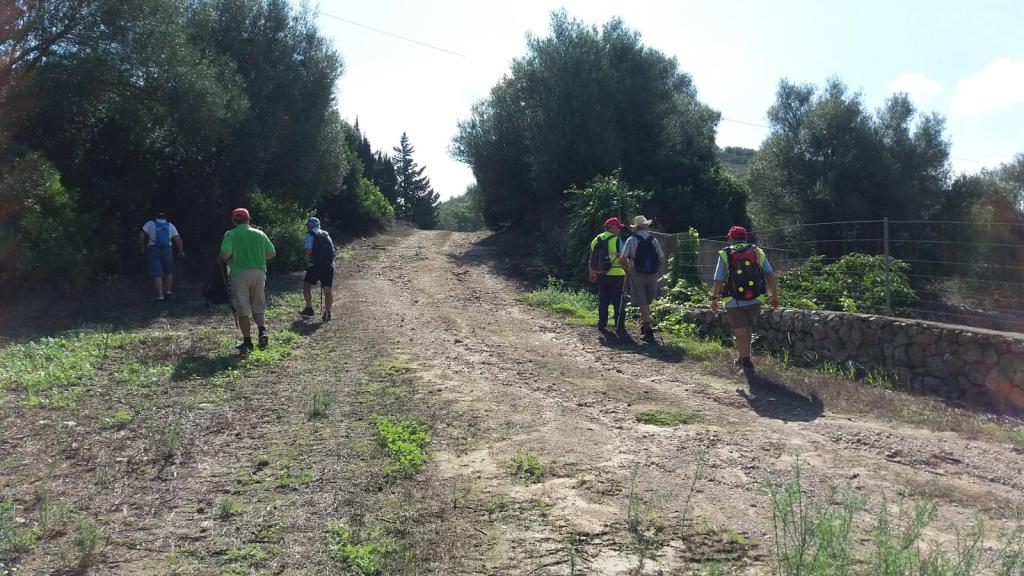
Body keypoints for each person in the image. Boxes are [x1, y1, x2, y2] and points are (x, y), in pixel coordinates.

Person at [710, 226, 779, 374]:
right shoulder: (757, 251)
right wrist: (774, 294)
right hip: (756, 297)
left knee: (739, 330)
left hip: (733, 299)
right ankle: (743, 357)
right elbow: (769, 273)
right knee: (747, 328)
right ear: (745, 238)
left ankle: (747, 364)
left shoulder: (725, 254)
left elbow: (718, 280)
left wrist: (714, 298)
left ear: (730, 238)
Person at [219, 208, 276, 352]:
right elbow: (271, 253)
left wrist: (220, 258)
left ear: (234, 220)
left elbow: (225, 255)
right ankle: (262, 331)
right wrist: (258, 259)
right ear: (248, 219)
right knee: (258, 304)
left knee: (243, 309)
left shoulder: (230, 234)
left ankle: (247, 342)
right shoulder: (260, 233)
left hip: (239, 274)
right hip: (259, 273)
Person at [622, 215, 665, 341]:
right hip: (652, 274)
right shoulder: (654, 240)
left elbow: (623, 259)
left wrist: (629, 267)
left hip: (637, 273)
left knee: (642, 301)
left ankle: (647, 328)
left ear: (636, 227)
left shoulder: (631, 239)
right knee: (647, 301)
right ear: (646, 226)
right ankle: (646, 325)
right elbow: (662, 259)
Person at [589, 217, 628, 338]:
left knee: (603, 301)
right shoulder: (616, 240)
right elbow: (622, 258)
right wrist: (628, 269)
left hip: (601, 274)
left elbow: (591, 257)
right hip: (617, 275)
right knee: (618, 301)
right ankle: (619, 327)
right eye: (618, 227)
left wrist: (592, 272)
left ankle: (601, 324)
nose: (619, 230)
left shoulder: (596, 239)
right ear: (611, 227)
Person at [139, 211, 184, 302]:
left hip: (153, 249)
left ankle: (160, 296)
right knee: (168, 271)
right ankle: (168, 292)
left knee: (157, 273)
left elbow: (141, 234)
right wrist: (181, 251)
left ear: (155, 216)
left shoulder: (150, 224)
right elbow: (178, 239)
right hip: (167, 249)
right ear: (165, 217)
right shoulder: (170, 225)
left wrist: (142, 247)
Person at [299, 217, 335, 321]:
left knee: (306, 285)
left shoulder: (310, 234)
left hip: (315, 265)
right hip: (328, 265)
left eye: (308, 225)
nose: (307, 226)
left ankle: (309, 308)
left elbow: (308, 251)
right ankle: (328, 312)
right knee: (327, 289)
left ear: (310, 225)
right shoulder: (325, 234)